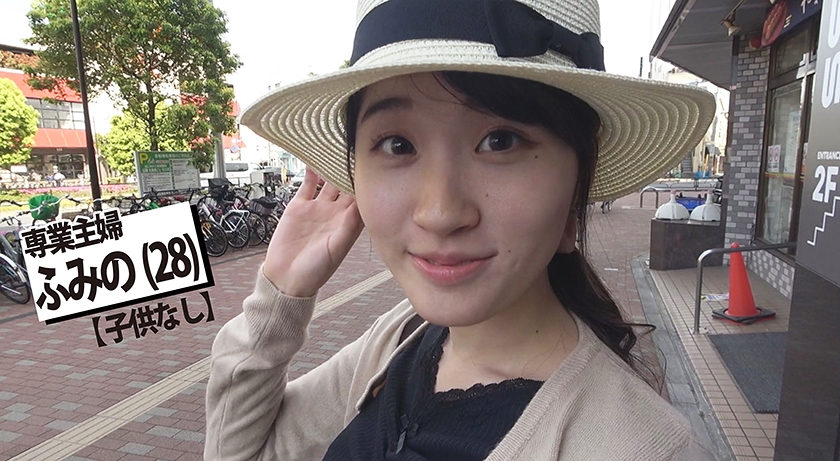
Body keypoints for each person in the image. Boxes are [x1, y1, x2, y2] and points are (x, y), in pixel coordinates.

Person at [205, 0, 717, 460]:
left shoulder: (644, 447)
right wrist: (280, 295)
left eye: (500, 140)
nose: (441, 212)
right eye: (398, 145)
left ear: (575, 189)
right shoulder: (399, 340)